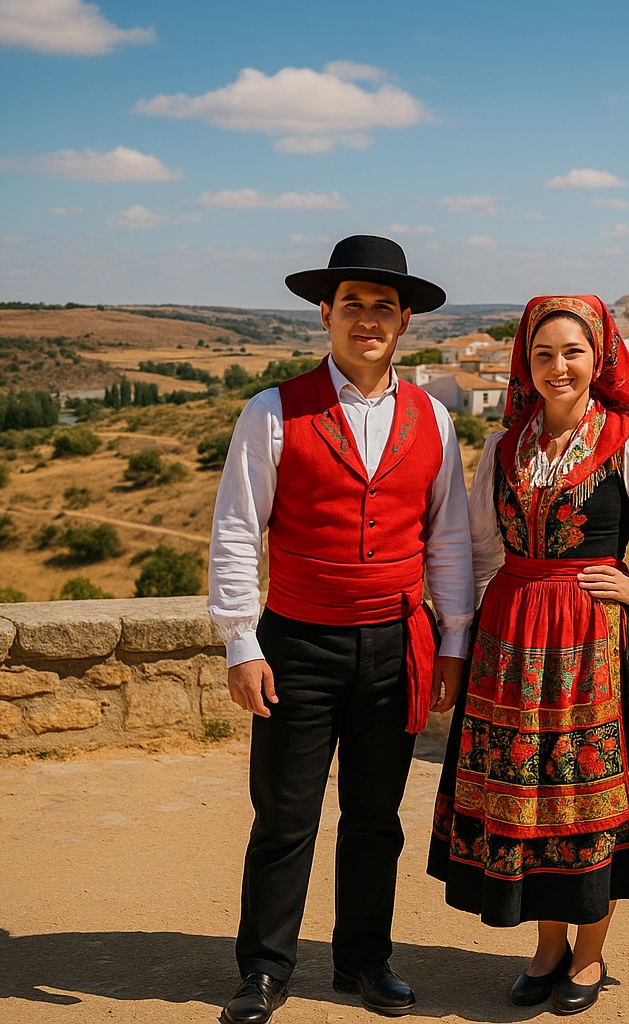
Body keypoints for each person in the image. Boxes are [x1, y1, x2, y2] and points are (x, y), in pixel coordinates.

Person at [427, 294, 629, 1015]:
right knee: (530, 800)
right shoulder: (507, 448)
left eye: (572, 352)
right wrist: (468, 638)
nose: (558, 366)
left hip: (596, 646)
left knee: (583, 798)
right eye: (543, 354)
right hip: (511, 646)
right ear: (525, 364)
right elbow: (481, 551)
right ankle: (546, 947)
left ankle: (590, 955)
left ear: (598, 359)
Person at [208, 235, 475, 1023]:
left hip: (397, 645)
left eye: (382, 307)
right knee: (285, 816)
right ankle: (262, 970)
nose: (367, 319)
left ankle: (364, 959)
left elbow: (449, 537)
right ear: (324, 314)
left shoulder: (435, 418)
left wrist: (454, 641)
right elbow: (234, 530)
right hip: (297, 642)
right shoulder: (272, 411)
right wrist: (240, 642)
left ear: (404, 325)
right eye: (352, 304)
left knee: (374, 817)